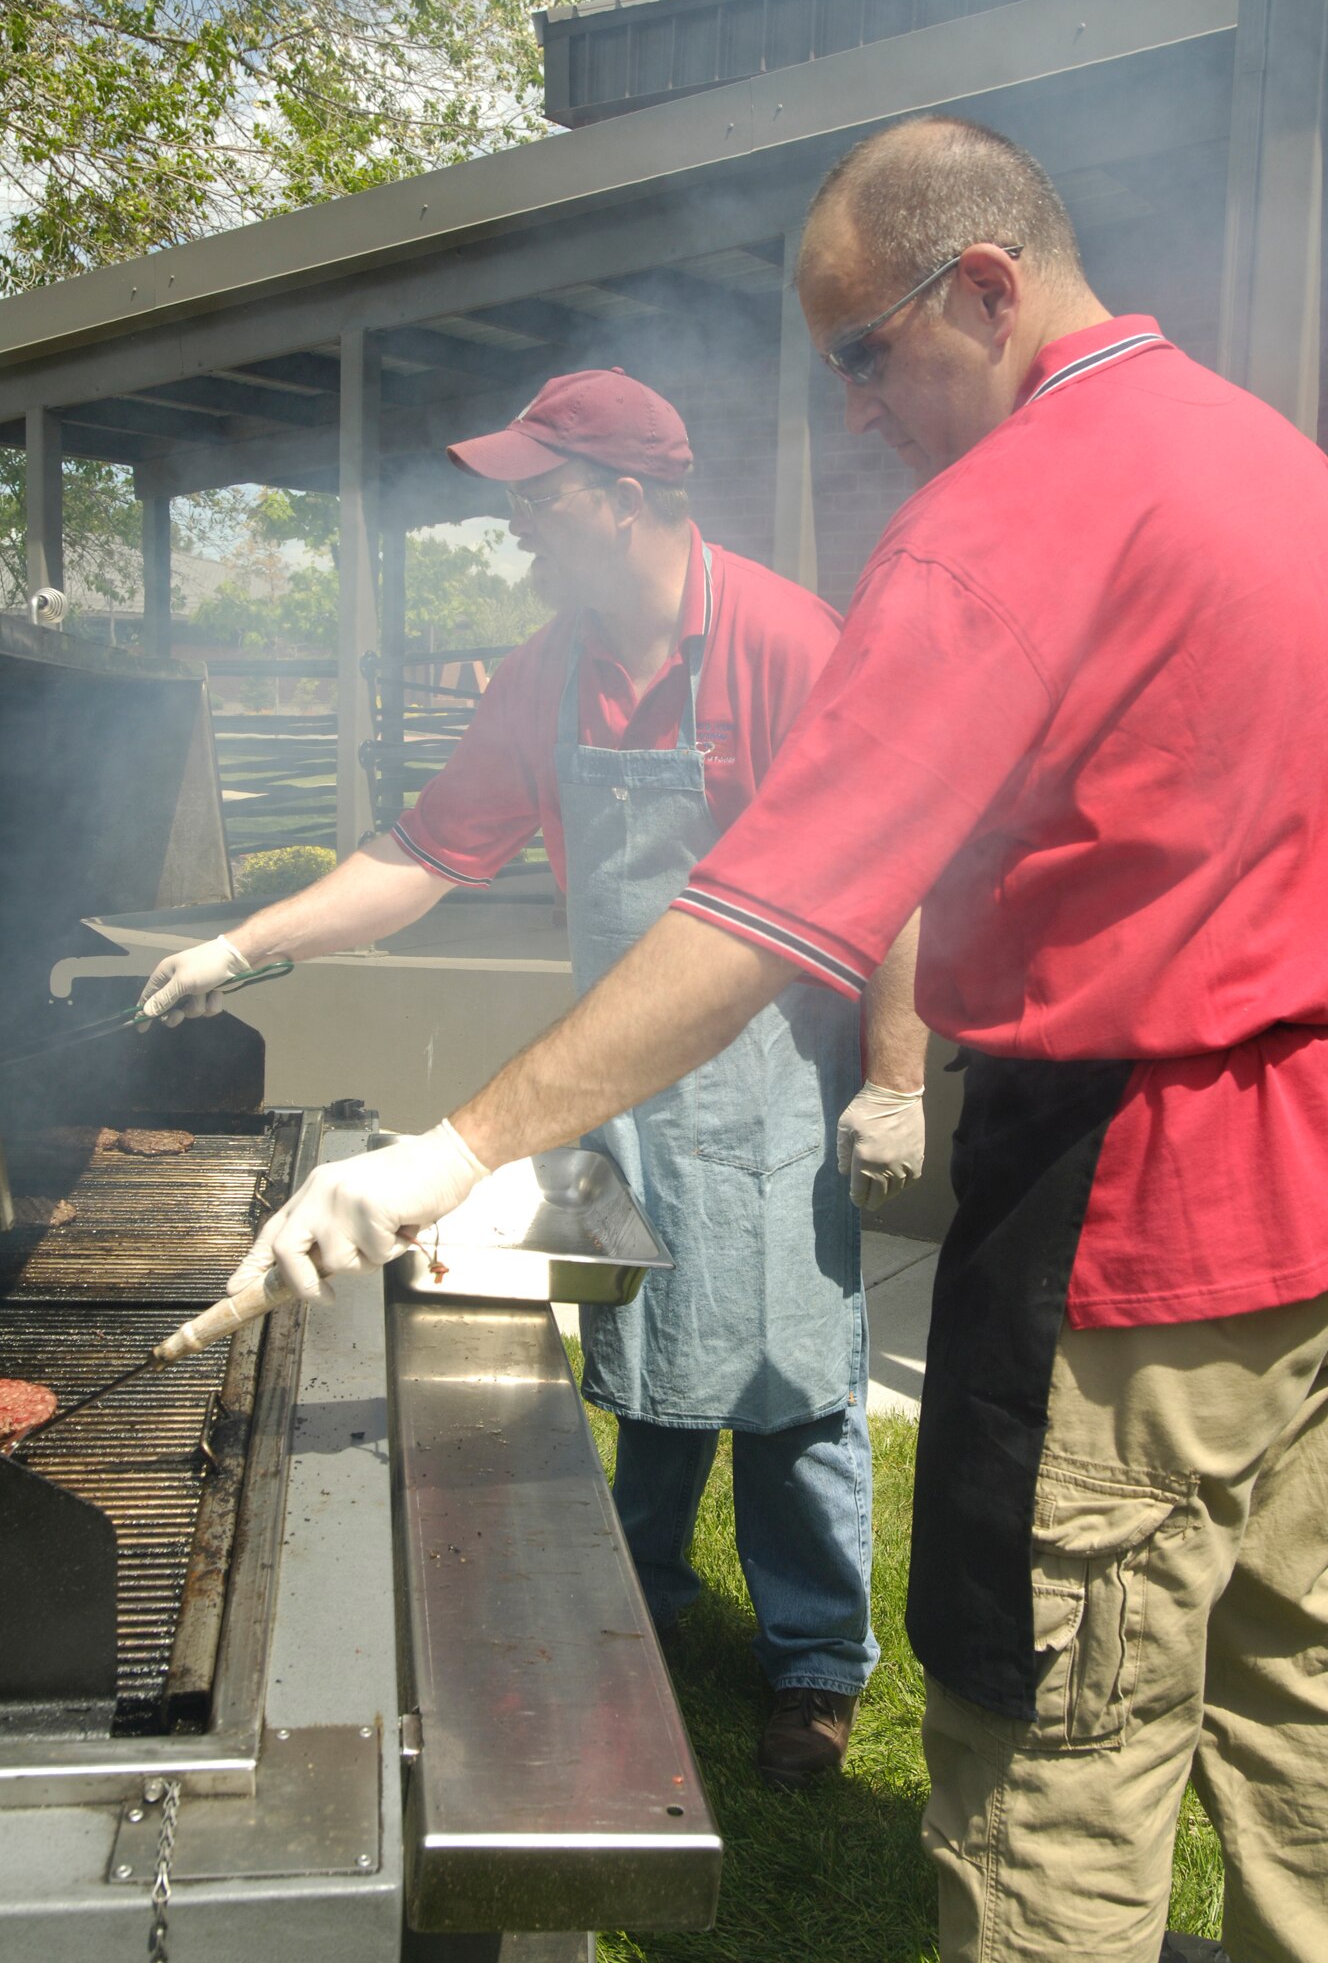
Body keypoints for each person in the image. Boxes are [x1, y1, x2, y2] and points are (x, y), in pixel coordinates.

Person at [232, 119, 1328, 1962]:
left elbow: (763, 920)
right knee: (1296, 1713)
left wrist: (454, 1150)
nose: (847, 417)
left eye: (860, 356)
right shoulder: (1271, 459)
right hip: (1300, 1228)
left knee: (1050, 1749)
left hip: (1124, 1230)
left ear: (982, 287)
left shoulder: (996, 525)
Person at [143, 368, 931, 1791]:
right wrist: (239, 946)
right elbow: (423, 854)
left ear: (625, 503)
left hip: (771, 1078)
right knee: (653, 1344)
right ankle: (638, 1597)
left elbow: (893, 871)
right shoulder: (548, 666)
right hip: (622, 1075)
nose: (517, 530)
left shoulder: (780, 642)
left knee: (796, 1379)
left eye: (539, 500)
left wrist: (895, 1074)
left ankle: (815, 1657)